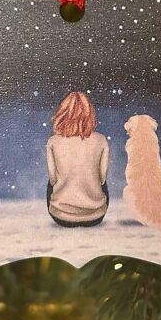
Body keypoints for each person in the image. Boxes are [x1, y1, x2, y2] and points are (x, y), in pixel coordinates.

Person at [46, 91, 109, 227]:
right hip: (95, 216)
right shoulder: (101, 140)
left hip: (61, 216)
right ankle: (91, 205)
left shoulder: (53, 141)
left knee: (53, 179)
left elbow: (52, 179)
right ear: (89, 113)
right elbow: (102, 178)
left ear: (62, 113)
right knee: (99, 179)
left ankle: (63, 203)